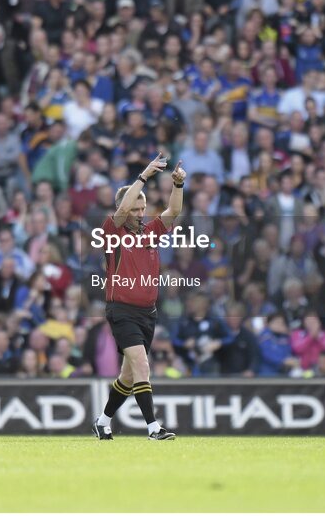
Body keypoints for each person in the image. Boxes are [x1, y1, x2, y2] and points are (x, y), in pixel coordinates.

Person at [92, 153, 185, 441]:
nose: (139, 213)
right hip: (121, 310)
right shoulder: (113, 230)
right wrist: (144, 175)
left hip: (148, 313)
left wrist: (178, 185)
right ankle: (153, 428)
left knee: (129, 376)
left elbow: (172, 212)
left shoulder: (150, 231)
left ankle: (102, 421)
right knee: (143, 365)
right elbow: (121, 212)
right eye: (135, 208)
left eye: (142, 208)